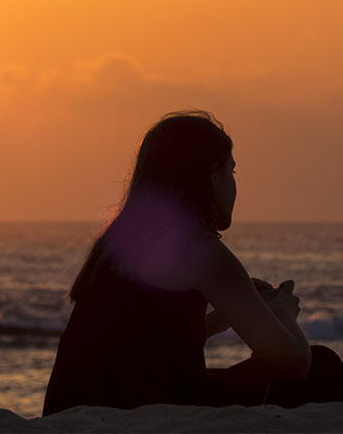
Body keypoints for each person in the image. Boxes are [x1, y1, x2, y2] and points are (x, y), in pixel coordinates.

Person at [42, 110, 343, 416]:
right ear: (213, 176)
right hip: (148, 410)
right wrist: (283, 313)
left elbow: (150, 345)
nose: (234, 186)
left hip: (72, 407)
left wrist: (218, 321)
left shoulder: (116, 242)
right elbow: (296, 365)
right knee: (322, 366)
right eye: (232, 172)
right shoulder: (198, 249)